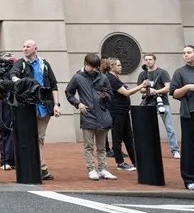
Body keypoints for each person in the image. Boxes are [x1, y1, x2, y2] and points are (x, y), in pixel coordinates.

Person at [9, 39, 61, 180]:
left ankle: (40, 167)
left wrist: (56, 104)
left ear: (35, 48)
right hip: (28, 107)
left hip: (44, 107)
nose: (25, 49)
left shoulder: (44, 64)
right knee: (35, 138)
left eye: (28, 46)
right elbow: (13, 75)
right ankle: (42, 168)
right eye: (23, 46)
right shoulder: (21, 64)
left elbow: (54, 84)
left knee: (40, 138)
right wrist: (21, 82)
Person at [65, 53, 116, 181]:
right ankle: (91, 169)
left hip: (103, 115)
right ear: (86, 64)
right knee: (88, 146)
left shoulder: (103, 77)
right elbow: (69, 93)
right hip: (88, 115)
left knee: (102, 147)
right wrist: (78, 103)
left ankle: (103, 169)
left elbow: (111, 96)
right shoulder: (77, 77)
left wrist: (106, 97)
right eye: (92, 67)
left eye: (96, 67)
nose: (94, 70)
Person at [103, 57, 148, 172]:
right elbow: (126, 93)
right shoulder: (110, 78)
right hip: (116, 111)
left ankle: (136, 161)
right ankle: (120, 162)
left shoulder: (115, 78)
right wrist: (141, 86)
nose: (120, 67)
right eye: (118, 65)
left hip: (123, 111)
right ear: (112, 66)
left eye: (120, 65)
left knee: (128, 137)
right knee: (117, 137)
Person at [138, 52, 181, 158]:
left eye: (150, 59)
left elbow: (168, 87)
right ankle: (149, 150)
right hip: (148, 103)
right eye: (146, 60)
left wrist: (155, 91)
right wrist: (148, 89)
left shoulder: (162, 73)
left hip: (163, 102)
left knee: (169, 127)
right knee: (148, 128)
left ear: (154, 60)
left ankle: (175, 150)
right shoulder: (143, 74)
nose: (148, 61)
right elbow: (140, 89)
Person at [170, 45, 194, 190]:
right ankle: (189, 179)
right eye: (184, 53)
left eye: (189, 52)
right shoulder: (180, 72)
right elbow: (173, 93)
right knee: (189, 146)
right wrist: (187, 88)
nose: (186, 55)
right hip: (189, 113)